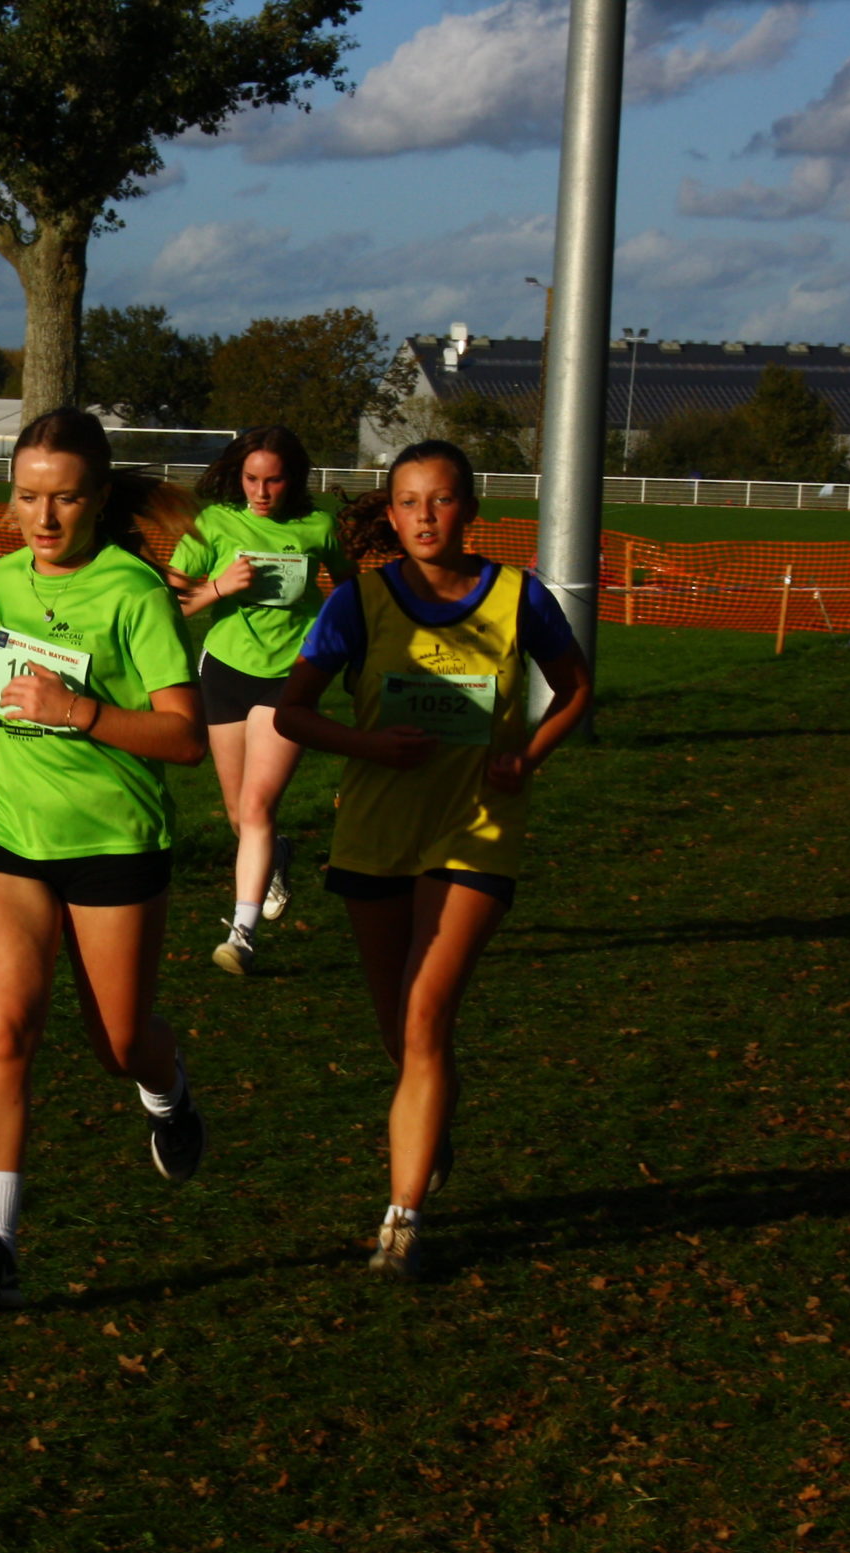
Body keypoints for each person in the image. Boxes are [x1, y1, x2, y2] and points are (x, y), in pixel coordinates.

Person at [273, 440, 590, 1282]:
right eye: (409, 501)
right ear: (390, 512)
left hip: (475, 829)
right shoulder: (359, 602)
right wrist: (370, 744)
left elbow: (576, 687)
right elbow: (293, 713)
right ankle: (433, 1107)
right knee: (402, 1030)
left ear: (471, 510)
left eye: (441, 500)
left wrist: (528, 755)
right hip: (375, 832)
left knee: (422, 1016)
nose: (424, 516)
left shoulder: (521, 596)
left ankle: (401, 1222)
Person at [0, 407, 209, 1311]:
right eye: (28, 496)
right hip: (8, 830)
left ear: (99, 498)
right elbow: (20, 685)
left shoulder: (134, 592)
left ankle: (168, 1092)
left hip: (113, 837)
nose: (43, 517)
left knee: (118, 1044)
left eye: (66, 498)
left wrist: (77, 713)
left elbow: (185, 737)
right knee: (3, 1027)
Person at [165, 426, 352, 975]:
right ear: (237, 475)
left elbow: (350, 591)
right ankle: (277, 855)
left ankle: (241, 936)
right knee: (237, 812)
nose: (261, 492)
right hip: (226, 671)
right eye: (251, 479)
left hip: (292, 675)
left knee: (256, 806)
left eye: (274, 481)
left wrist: (334, 641)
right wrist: (220, 587)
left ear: (294, 479)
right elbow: (167, 603)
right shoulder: (214, 524)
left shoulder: (318, 527)